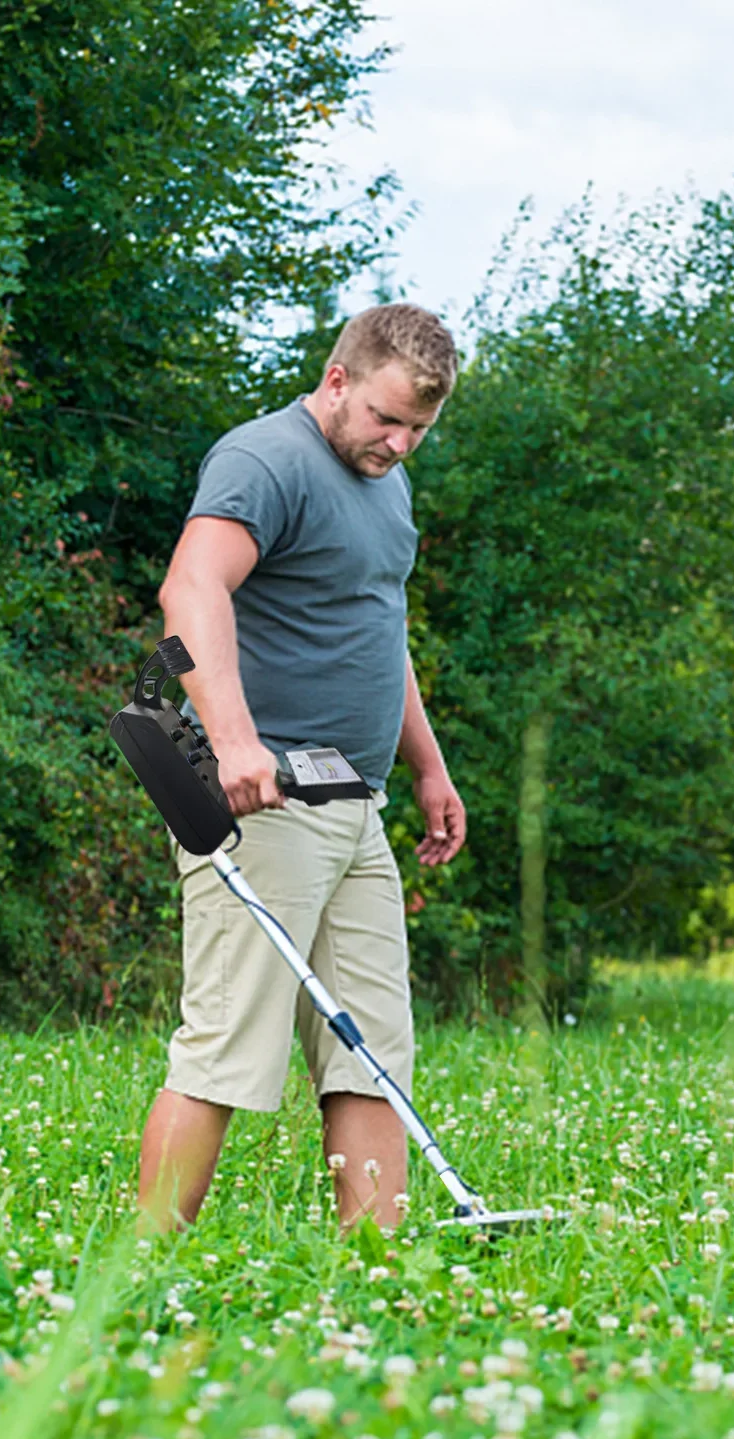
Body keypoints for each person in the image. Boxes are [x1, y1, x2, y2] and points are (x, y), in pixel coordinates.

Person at [136, 303, 466, 1234]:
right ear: (337, 381)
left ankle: (376, 1271)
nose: (399, 444)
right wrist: (236, 743)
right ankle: (141, 1265)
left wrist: (428, 768)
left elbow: (377, 629)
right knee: (228, 1047)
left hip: (357, 805)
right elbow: (189, 589)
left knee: (372, 1053)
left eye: (419, 430)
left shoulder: (385, 485)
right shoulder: (266, 459)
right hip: (267, 803)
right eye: (386, 418)